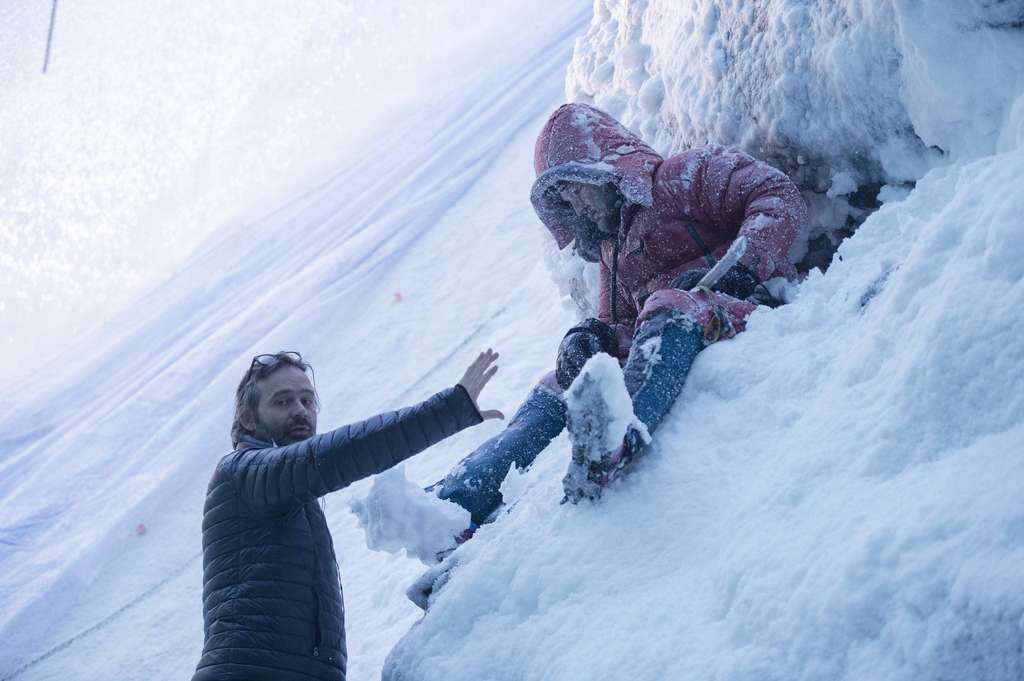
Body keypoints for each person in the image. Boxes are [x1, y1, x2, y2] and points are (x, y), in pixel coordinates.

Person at [434, 102, 806, 529]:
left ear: (604, 167)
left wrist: (742, 266)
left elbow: (776, 194)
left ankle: (617, 438)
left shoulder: (683, 177)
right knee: (561, 382)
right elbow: (621, 328)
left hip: (747, 307)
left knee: (668, 305)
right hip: (676, 329)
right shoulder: (612, 251)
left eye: (577, 186)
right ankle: (461, 498)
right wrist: (590, 338)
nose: (577, 204)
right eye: (565, 198)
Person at [191, 349, 503, 681]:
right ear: (249, 417)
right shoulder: (242, 473)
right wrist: (450, 410)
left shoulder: (280, 491)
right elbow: (337, 454)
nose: (300, 411)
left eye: (307, 401)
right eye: (282, 402)